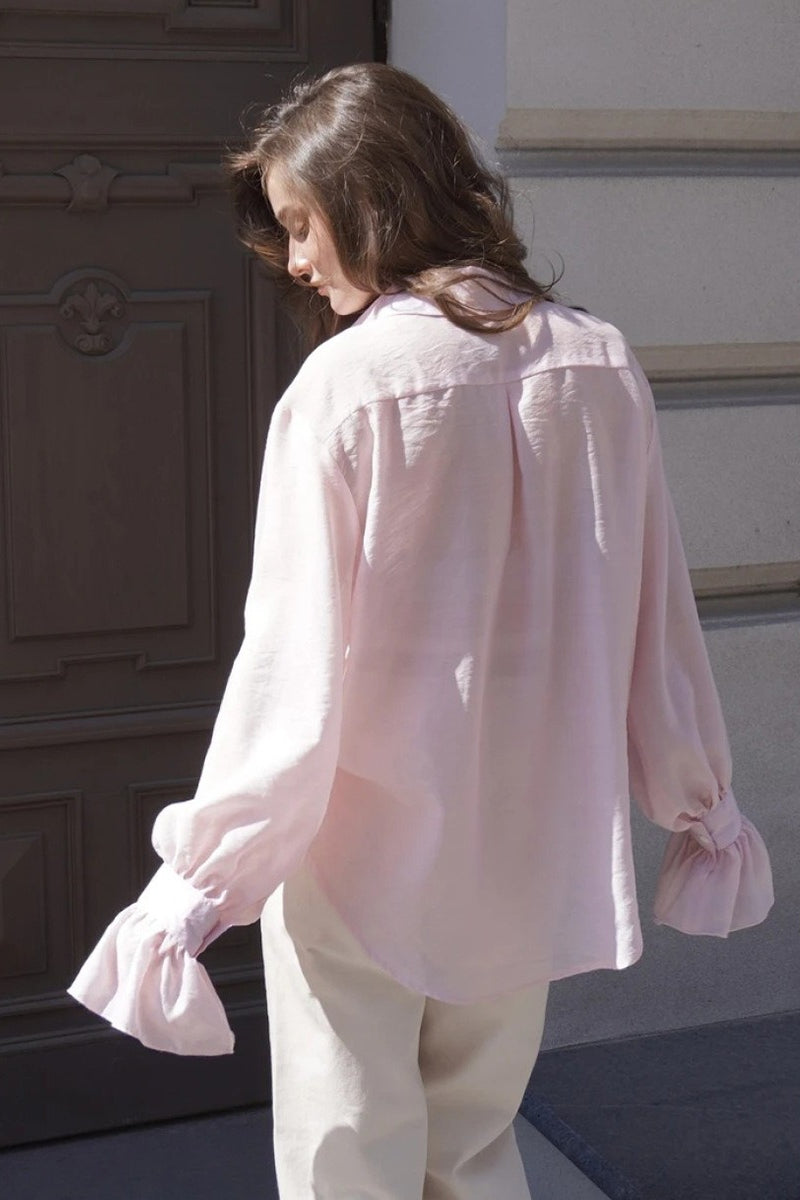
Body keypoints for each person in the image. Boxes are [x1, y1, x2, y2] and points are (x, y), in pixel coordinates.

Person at [69, 63, 774, 1199]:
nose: (294, 259)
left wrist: (195, 891)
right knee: (475, 1150)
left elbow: (290, 675)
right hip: (529, 836)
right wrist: (696, 801)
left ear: (370, 199)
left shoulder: (345, 389)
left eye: (302, 223)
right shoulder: (597, 362)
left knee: (349, 1162)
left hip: (361, 850)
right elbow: (658, 620)